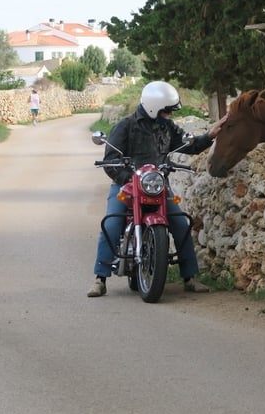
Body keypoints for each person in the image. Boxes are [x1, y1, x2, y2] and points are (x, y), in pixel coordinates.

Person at [87, 81, 226, 297]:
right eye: (166, 110)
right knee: (112, 224)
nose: (169, 114)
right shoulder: (125, 126)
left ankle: (190, 277)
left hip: (156, 185)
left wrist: (210, 135)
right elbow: (111, 159)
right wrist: (129, 178)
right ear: (154, 107)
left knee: (180, 222)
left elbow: (189, 145)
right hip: (127, 185)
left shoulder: (166, 127)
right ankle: (100, 278)